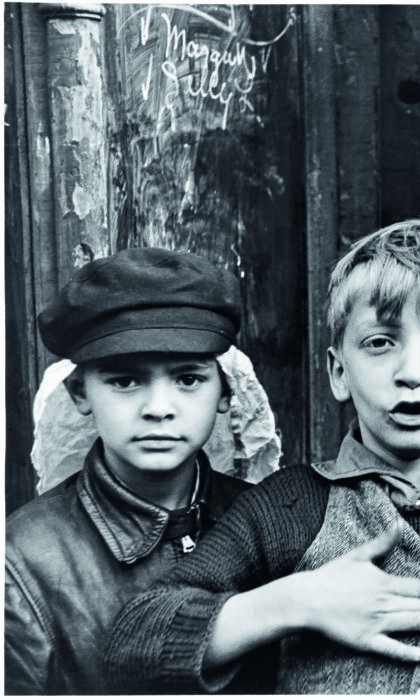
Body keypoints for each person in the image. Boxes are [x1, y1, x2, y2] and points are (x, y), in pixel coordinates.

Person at [104, 219, 420, 694]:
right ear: (338, 372)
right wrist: (296, 602)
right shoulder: (288, 508)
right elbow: (134, 642)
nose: (413, 372)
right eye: (380, 342)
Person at [4, 247, 261, 694]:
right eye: (124, 381)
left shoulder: (268, 519)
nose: (158, 409)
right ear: (80, 392)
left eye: (187, 379)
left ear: (225, 391)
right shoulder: (22, 561)